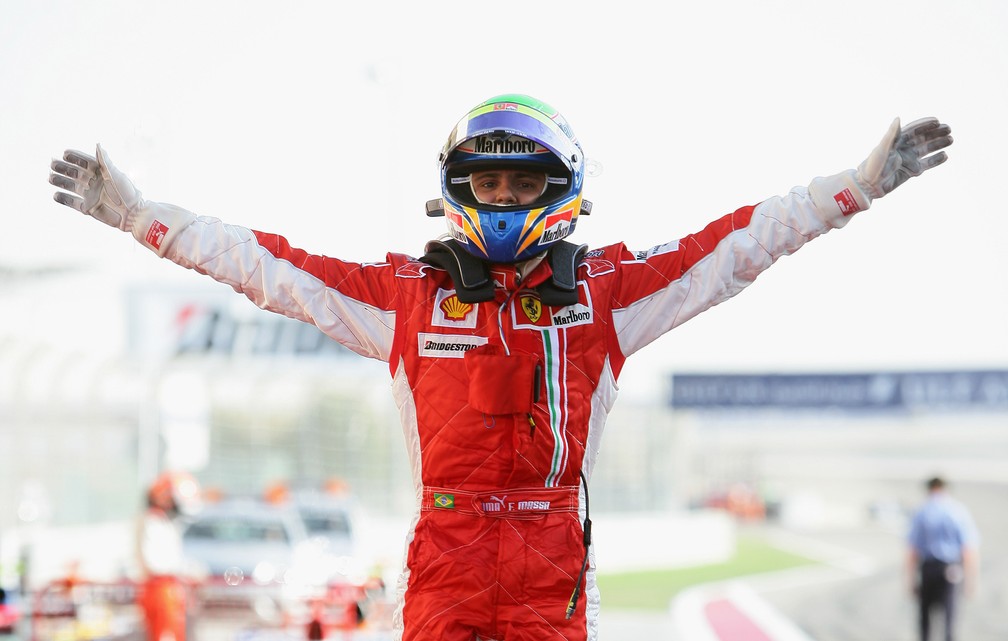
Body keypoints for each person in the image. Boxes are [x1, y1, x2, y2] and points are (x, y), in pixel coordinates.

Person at [50, 94, 952, 641]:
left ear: (562, 187)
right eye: (490, 183)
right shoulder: (402, 296)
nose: (507, 198)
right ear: (460, 189)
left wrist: (855, 188)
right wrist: (144, 218)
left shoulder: (608, 291)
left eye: (525, 183)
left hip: (553, 562)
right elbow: (265, 265)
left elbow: (740, 245)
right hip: (442, 555)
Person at [907, 476, 979, 641]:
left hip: (928, 567)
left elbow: (912, 549)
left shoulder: (922, 511)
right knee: (950, 616)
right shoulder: (958, 510)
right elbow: (968, 548)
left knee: (925, 617)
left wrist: (910, 580)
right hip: (951, 568)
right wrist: (971, 581)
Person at [135, 471, 200, 641]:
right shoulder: (151, 522)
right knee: (164, 635)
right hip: (159, 588)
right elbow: (154, 563)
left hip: (169, 587)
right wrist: (181, 570)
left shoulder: (165, 522)